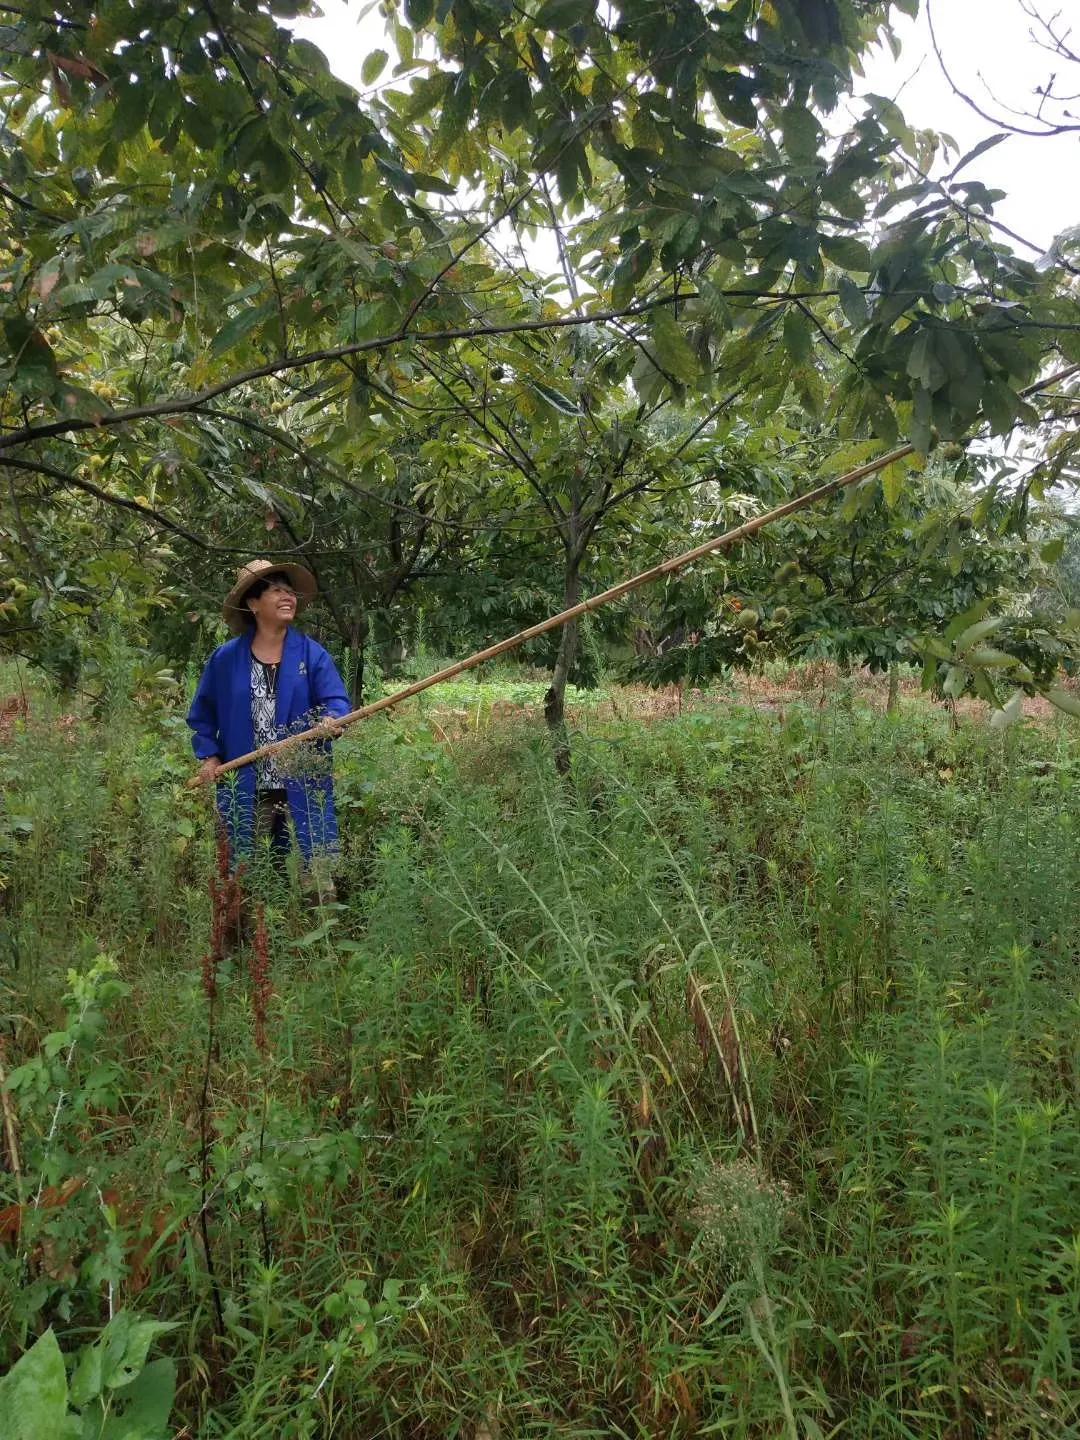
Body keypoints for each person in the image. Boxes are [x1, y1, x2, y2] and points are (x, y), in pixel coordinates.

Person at [187, 560, 351, 894]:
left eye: (290, 591)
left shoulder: (312, 655)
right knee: (243, 870)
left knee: (316, 870)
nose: (287, 596)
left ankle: (319, 939)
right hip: (247, 780)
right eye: (276, 590)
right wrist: (210, 756)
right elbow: (202, 715)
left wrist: (332, 719)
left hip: (303, 777)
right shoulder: (226, 660)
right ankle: (244, 938)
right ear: (253, 603)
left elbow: (336, 700)